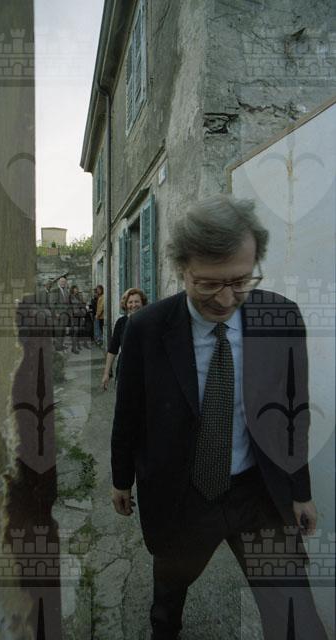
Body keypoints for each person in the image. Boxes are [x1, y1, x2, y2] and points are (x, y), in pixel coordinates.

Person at [111, 195, 328, 640]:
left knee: (294, 614)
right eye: (208, 284)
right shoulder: (147, 327)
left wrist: (300, 490)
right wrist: (121, 479)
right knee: (168, 601)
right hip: (183, 494)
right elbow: (128, 411)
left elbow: (293, 410)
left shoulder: (280, 317)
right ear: (181, 269)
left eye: (241, 281)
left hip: (257, 492)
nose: (227, 299)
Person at [101, 288, 148, 390]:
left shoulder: (149, 321)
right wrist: (106, 373)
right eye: (130, 302)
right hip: (125, 369)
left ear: (143, 303)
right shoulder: (121, 323)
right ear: (126, 305)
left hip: (145, 370)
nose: (133, 305)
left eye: (137, 301)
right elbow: (113, 349)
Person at [51, 275, 71, 351]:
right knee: (58, 332)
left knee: (63, 332)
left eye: (64, 282)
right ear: (58, 282)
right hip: (58, 315)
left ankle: (61, 345)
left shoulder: (66, 291)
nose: (63, 283)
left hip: (65, 315)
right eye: (62, 281)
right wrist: (56, 313)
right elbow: (52, 303)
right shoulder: (54, 290)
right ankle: (58, 348)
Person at [69, 285, 89, 353]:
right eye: (75, 289)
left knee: (78, 331)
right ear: (72, 289)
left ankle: (77, 346)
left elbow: (82, 305)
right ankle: (73, 348)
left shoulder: (78, 296)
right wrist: (71, 316)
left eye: (77, 289)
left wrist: (83, 313)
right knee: (75, 332)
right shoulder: (70, 296)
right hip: (74, 316)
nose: (76, 290)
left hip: (80, 315)